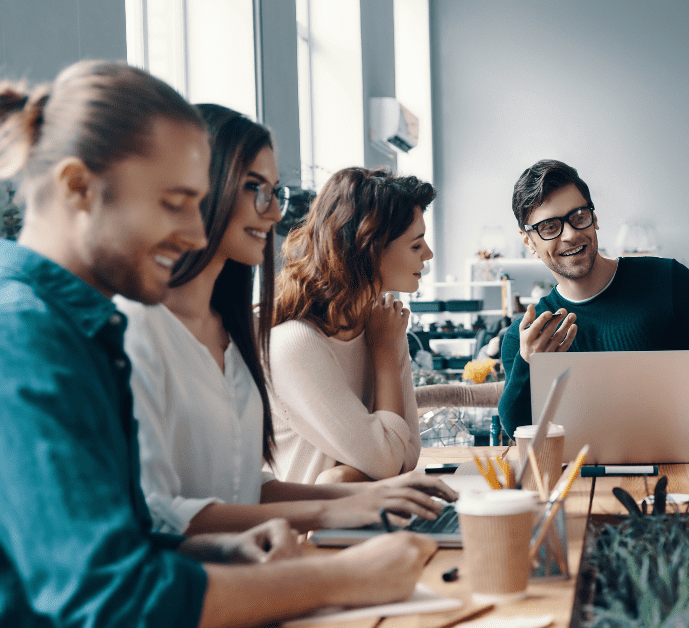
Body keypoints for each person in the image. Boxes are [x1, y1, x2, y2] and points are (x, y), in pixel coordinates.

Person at [0, 60, 434, 628]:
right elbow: (108, 597)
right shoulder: (26, 336)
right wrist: (344, 577)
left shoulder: (81, 326)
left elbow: (132, 534)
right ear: (78, 187)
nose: (197, 233)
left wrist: (217, 549)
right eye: (174, 203)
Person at [118, 104, 455, 536]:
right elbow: (158, 515)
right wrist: (339, 504)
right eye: (257, 189)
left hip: (263, 563)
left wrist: (366, 497)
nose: (276, 212)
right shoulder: (141, 329)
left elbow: (247, 488)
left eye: (276, 192)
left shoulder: (233, 331)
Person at [496, 159, 689, 437]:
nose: (570, 234)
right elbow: (517, 428)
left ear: (595, 218)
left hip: (679, 472)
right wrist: (527, 362)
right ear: (529, 241)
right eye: (550, 227)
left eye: (579, 216)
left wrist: (684, 428)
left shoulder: (668, 280)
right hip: (581, 477)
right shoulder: (529, 337)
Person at [270, 167, 435, 484]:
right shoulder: (296, 342)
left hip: (368, 517)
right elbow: (388, 460)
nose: (428, 254)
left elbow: (408, 453)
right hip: (307, 529)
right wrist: (385, 354)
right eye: (416, 245)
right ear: (370, 250)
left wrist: (348, 475)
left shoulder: (381, 323)